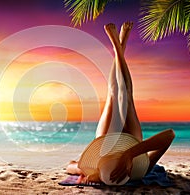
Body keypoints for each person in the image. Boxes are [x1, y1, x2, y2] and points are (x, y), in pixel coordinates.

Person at [66, 22, 175, 185]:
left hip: (105, 143)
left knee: (114, 94)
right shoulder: (140, 171)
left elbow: (70, 165)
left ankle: (118, 47)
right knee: (126, 96)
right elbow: (169, 135)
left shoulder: (95, 168)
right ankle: (120, 46)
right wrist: (129, 154)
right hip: (132, 139)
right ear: (129, 171)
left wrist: (86, 172)